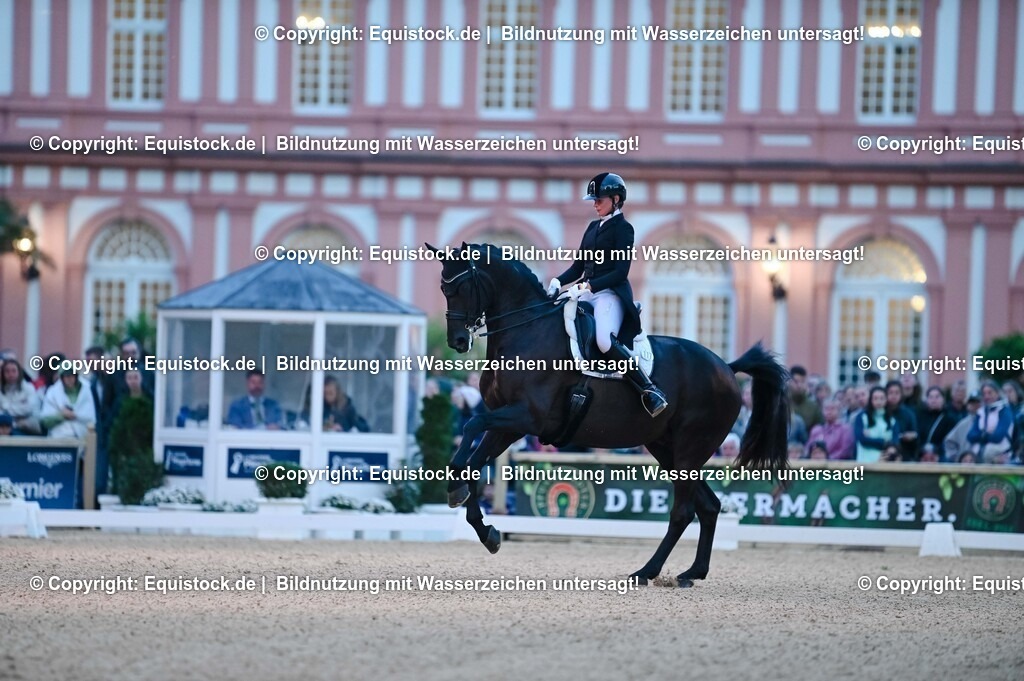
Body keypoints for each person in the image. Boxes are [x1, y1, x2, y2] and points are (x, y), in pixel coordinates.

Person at [546, 172, 667, 417]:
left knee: (603, 340)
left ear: (615, 199)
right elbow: (579, 266)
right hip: (586, 291)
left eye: (599, 199)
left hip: (610, 294)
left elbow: (621, 272)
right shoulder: (592, 227)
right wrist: (559, 281)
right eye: (594, 200)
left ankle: (648, 388)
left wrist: (590, 287)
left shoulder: (624, 229)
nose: (595, 204)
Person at [39, 366, 96, 439]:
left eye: (72, 375)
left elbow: (91, 417)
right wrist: (62, 415)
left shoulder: (87, 390)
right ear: (62, 378)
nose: (69, 379)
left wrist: (75, 415)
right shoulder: (52, 393)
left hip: (83, 438)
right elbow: (45, 420)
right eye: (66, 376)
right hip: (58, 438)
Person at [966, 380, 1015, 464]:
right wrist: (985, 435)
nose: (987, 396)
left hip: (1000, 451)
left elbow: (998, 436)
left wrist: (981, 435)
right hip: (980, 450)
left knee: (988, 453)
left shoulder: (1004, 411)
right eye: (984, 394)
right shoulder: (981, 412)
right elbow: (970, 435)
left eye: (990, 393)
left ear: (997, 393)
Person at [303, 375, 370, 433]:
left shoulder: (347, 409)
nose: (327, 397)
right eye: (325, 393)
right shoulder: (316, 407)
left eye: (330, 393)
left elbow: (359, 428)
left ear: (337, 392)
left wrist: (342, 429)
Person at [854, 386, 899, 463]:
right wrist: (884, 442)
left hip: (884, 462)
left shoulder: (892, 421)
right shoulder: (862, 417)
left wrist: (872, 439)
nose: (879, 402)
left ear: (886, 400)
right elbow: (862, 440)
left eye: (882, 398)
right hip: (865, 462)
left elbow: (894, 443)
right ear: (871, 400)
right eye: (875, 398)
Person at [0, 358, 41, 434]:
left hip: (27, 426)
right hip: (5, 426)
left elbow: (28, 409)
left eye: (13, 371)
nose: (10, 374)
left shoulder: (29, 388)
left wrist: (7, 409)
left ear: (19, 372)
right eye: (7, 371)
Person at [916, 386, 956, 455]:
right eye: (930, 397)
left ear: (943, 399)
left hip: (940, 456)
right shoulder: (920, 416)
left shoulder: (949, 419)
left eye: (937, 397)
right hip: (922, 455)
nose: (933, 400)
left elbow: (950, 440)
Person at [886, 380, 919, 460]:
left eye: (897, 393)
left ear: (901, 394)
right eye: (890, 393)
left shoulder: (908, 414)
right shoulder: (881, 412)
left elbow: (915, 435)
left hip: (904, 454)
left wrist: (911, 436)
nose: (894, 396)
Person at [788, 365, 822, 430]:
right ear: (789, 381)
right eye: (796, 382)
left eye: (802, 382)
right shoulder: (781, 403)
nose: (799, 385)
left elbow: (819, 429)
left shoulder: (813, 406)